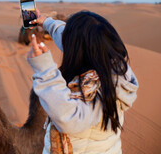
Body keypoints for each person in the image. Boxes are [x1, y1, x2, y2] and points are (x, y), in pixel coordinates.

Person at [27, 10, 138, 153]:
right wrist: (47, 22)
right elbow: (72, 39)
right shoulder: (112, 67)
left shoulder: (98, 90)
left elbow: (69, 118)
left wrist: (45, 70)